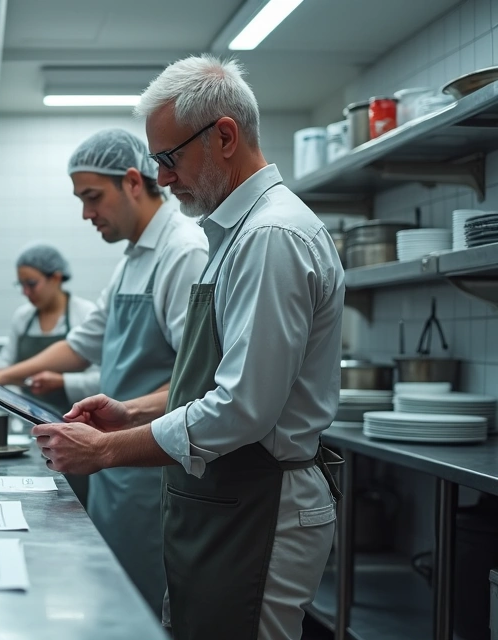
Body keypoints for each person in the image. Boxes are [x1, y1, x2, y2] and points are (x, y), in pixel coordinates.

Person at [33, 55, 344, 640]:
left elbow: (243, 408)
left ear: (224, 136)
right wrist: (135, 411)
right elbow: (212, 382)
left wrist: (105, 451)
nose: (164, 178)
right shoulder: (232, 236)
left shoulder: (271, 237)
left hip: (262, 504)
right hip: (227, 499)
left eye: (169, 160)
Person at [0, 128, 209, 616]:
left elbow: (194, 383)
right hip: (112, 464)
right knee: (110, 599)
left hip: (153, 468)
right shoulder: (132, 261)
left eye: (93, 197)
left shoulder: (182, 251)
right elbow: (80, 344)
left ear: (133, 181)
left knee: (143, 607)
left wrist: (126, 414)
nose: (87, 214)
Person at [0, 244, 102, 411]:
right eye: (21, 285)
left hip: (77, 420)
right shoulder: (23, 317)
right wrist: (20, 403)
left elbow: (101, 379)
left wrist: (63, 382)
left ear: (56, 278)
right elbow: (4, 365)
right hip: (27, 418)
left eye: (31, 284)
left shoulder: (86, 314)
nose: (25, 292)